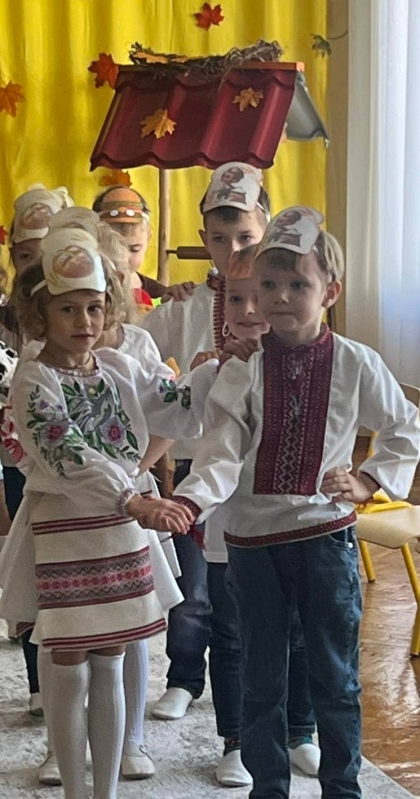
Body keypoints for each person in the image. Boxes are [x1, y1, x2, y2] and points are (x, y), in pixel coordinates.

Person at [172, 206, 420, 799]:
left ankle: (342, 788)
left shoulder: (356, 362)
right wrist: (191, 500)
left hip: (324, 538)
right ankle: (268, 789)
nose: (280, 297)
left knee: (335, 677)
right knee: (261, 680)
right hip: (252, 544)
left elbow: (404, 425)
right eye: (269, 284)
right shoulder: (244, 370)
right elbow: (221, 451)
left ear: (330, 291)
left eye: (298, 284)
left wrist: (367, 480)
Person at [1, 225, 217, 799]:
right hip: (67, 532)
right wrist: (133, 498)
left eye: (94, 307)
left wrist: (219, 369)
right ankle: (77, 789)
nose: (85, 321)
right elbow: (64, 450)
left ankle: (106, 792)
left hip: (121, 532)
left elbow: (173, 406)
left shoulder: (117, 367)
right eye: (68, 309)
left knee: (112, 658)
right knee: (69, 660)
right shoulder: (34, 376)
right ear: (40, 312)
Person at [141, 162, 269, 722]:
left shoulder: (280, 306)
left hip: (259, 473)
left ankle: (258, 702)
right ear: (203, 239)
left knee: (244, 594)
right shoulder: (186, 306)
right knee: (193, 589)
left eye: (244, 236)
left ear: (265, 230)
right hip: (197, 467)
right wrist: (184, 375)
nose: (230, 248)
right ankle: (184, 677)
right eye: (219, 238)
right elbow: (136, 354)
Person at [191, 246, 320, 787]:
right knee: (231, 634)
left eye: (257, 297)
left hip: (292, 526)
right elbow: (181, 428)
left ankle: (301, 730)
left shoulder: (308, 365)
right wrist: (210, 374)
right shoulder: (210, 372)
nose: (248, 311)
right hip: (230, 530)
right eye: (235, 299)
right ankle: (237, 738)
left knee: (299, 631)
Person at [0, 184, 74, 728]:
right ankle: (37, 682)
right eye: (25, 256)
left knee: (70, 573)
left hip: (74, 468)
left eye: (46, 255)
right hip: (18, 463)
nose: (35, 268)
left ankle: (78, 672)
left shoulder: (78, 320)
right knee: (31, 571)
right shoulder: (4, 321)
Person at [92, 185, 195, 306]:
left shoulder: (158, 293)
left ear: (148, 238)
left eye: (134, 249)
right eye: (112, 249)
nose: (123, 259)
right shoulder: (86, 290)